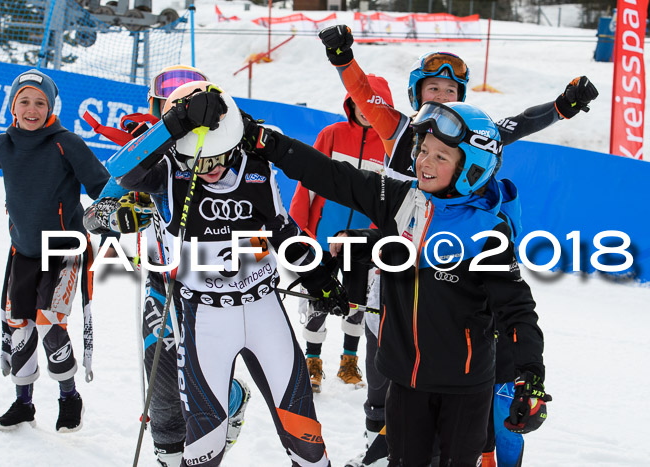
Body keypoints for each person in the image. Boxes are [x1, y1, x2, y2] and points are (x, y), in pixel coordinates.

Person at [318, 24, 597, 467]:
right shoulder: (400, 130)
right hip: (395, 270)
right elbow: (366, 97)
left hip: (453, 276)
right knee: (385, 368)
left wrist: (561, 108)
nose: (443, 98)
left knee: (465, 368)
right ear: (417, 93)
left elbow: (521, 122)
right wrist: (342, 58)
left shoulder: (472, 139)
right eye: (434, 89)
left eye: (452, 90)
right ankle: (381, 442)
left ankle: (471, 450)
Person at [241, 100, 551, 467]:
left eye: (440, 156)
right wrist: (267, 142)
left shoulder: (486, 233)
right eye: (423, 150)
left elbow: (516, 310)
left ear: (472, 166)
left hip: (465, 391)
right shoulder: (401, 199)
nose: (424, 161)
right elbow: (329, 175)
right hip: (404, 384)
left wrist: (530, 376)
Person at [106, 80, 348, 466]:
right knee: (206, 443)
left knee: (304, 433)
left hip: (263, 308)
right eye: (201, 162)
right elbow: (120, 171)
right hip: (205, 318)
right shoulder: (167, 172)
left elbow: (283, 231)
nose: (213, 169)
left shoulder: (254, 169)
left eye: (221, 157)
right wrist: (174, 125)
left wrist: (318, 277)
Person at [82, 64, 251, 467]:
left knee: (202, 382)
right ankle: (168, 453)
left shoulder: (232, 149)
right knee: (160, 378)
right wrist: (121, 216)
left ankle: (231, 400)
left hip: (216, 288)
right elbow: (93, 215)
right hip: (163, 286)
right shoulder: (145, 152)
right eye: (170, 108)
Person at [0, 69, 110, 432]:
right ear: (12, 105)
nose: (32, 108)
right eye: (24, 100)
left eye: (40, 102)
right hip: (23, 253)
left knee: (50, 325)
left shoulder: (65, 142)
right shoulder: (4, 145)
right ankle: (23, 403)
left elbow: (101, 186)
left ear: (51, 107)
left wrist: (114, 214)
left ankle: (69, 397)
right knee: (20, 326)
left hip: (65, 250)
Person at [289, 74, 392, 394]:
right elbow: (306, 183)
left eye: (374, 105)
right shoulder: (331, 135)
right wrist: (300, 229)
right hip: (322, 239)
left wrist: (375, 237)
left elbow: (391, 200)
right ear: (351, 102)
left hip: (360, 243)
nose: (366, 110)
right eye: (361, 102)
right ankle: (313, 361)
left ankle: (349, 361)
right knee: (318, 300)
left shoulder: (390, 147)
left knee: (357, 303)